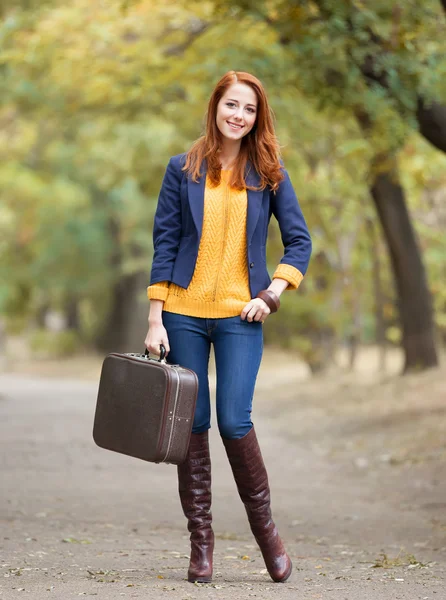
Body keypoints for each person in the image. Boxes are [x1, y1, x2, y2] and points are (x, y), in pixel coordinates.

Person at [144, 70, 312, 584]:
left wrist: (272, 294)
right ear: (215, 107)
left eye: (249, 109)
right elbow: (165, 244)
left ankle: (268, 537)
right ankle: (202, 547)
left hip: (242, 315)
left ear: (258, 117)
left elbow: (299, 242)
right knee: (192, 425)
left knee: (234, 420)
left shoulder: (269, 172)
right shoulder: (183, 168)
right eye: (231, 105)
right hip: (184, 314)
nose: (238, 115)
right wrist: (155, 318)